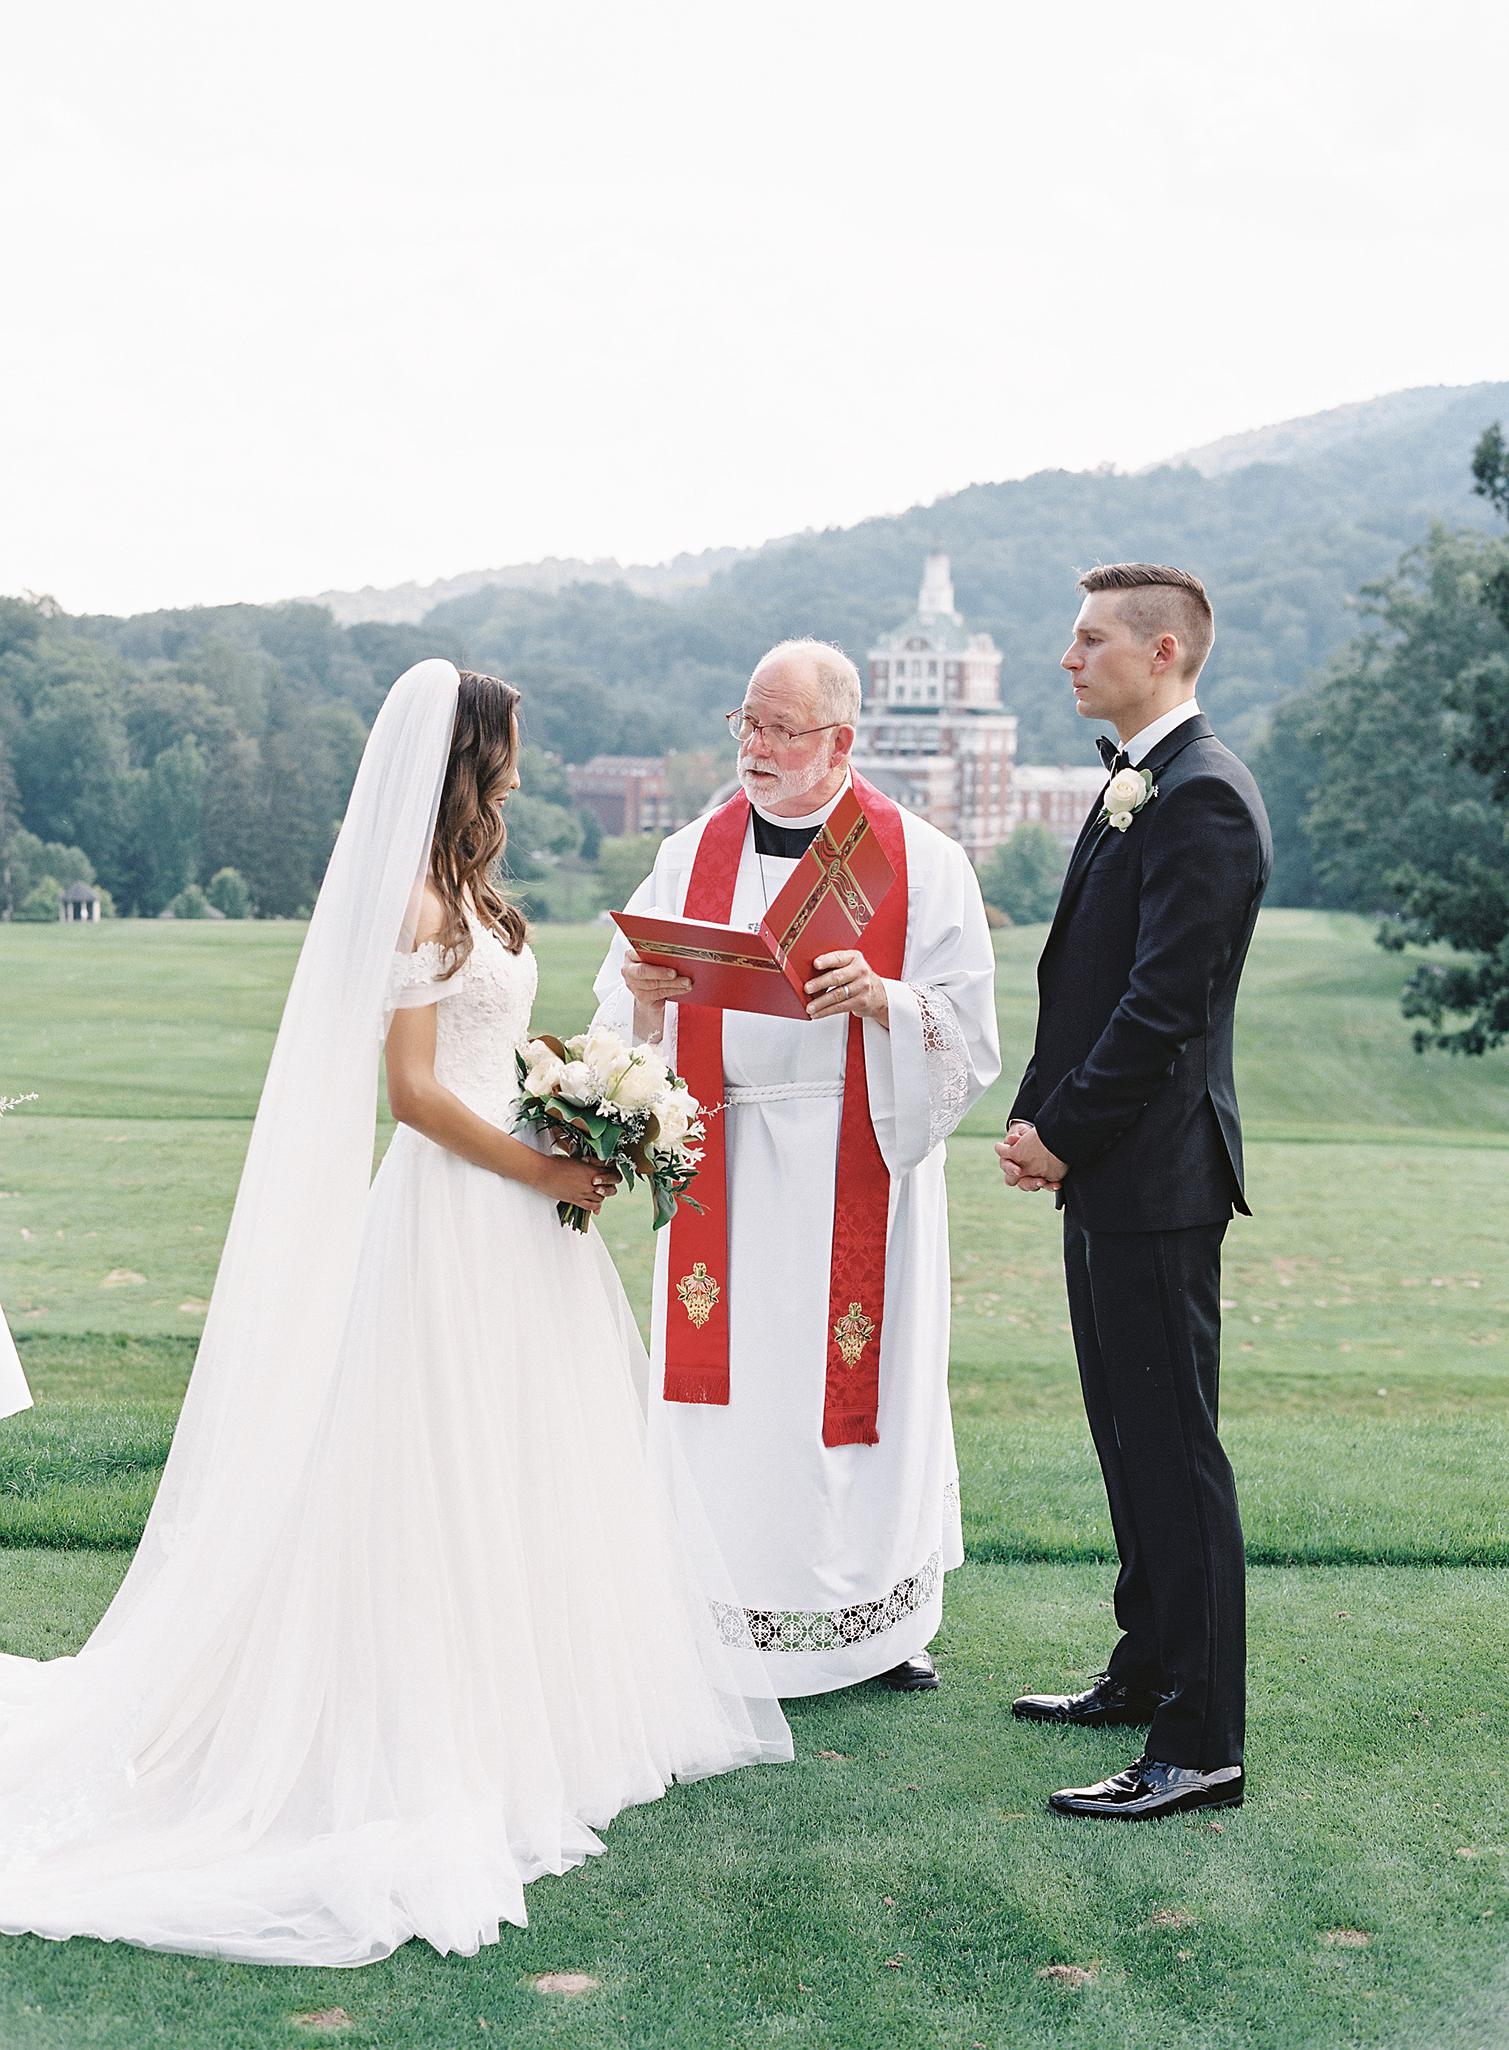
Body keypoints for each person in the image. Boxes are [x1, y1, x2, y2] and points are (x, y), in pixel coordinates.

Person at [0, 661, 789, 1968]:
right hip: (456, 1207)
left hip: (527, 1207)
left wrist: (585, 1100)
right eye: (515, 744)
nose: (528, 764)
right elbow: (416, 1092)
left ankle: (543, 1707)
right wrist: (543, 1161)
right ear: (472, 753)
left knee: (534, 1456)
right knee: (436, 1461)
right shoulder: (418, 900)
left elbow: (497, 1054)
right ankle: (434, 1725)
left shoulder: (477, 889)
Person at [593, 640, 1000, 1697]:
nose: (758, 749)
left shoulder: (920, 860)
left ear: (841, 743)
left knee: (852, 1406)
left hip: (855, 1157)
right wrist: (642, 993)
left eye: (783, 730)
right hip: (723, 1169)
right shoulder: (690, 854)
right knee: (731, 1414)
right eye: (748, 724)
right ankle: (713, 1622)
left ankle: (870, 1629)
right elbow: (621, 1017)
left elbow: (968, 1031)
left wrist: (885, 1000)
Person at [999, 564, 1272, 1821]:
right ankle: (1146, 1664)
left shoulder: (1203, 794)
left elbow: (1163, 1010)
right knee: (1127, 1438)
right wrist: (1041, 1114)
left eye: (1090, 638)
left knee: (1174, 1452)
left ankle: (1199, 1740)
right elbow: (1092, 982)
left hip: (1155, 1177)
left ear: (1163, 652)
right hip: (1111, 1174)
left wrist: (1062, 1129)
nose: (1069, 656)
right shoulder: (1137, 781)